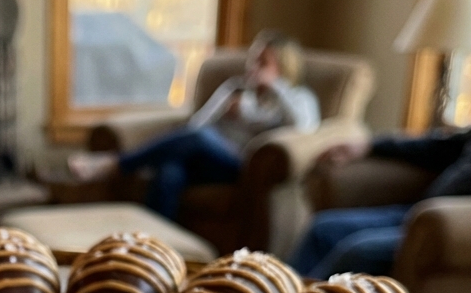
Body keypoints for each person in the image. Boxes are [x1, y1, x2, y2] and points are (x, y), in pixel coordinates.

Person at [291, 31, 471, 280]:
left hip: (456, 233)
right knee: (323, 229)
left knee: (359, 251)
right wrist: (370, 145)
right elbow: (445, 147)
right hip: (419, 217)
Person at [68, 31, 320, 222]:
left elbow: (304, 127)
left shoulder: (299, 98)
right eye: (253, 61)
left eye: (262, 63)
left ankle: (116, 164)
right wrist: (225, 112)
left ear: (284, 67)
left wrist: (275, 86)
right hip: (209, 160)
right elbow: (196, 124)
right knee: (170, 171)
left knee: (200, 139)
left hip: (245, 166)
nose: (253, 69)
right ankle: (154, 247)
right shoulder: (236, 89)